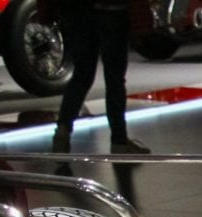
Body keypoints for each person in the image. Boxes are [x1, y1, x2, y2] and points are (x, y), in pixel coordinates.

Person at [51, 0, 150, 154]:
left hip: (77, 12)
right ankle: (119, 141)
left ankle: (63, 129)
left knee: (82, 75)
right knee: (114, 78)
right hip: (112, 10)